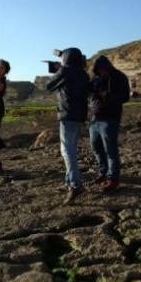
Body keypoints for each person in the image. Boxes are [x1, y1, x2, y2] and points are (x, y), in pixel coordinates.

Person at [46, 48, 90, 204]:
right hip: (79, 116)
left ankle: (75, 185)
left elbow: (49, 86)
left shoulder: (65, 71)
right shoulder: (83, 74)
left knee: (67, 151)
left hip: (68, 115)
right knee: (71, 149)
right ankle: (68, 181)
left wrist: (60, 69)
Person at [89, 55, 130, 190]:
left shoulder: (119, 77)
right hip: (95, 118)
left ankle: (113, 179)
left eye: (102, 69)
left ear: (107, 67)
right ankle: (104, 172)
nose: (101, 72)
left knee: (110, 149)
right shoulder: (95, 78)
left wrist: (107, 95)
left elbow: (125, 97)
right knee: (96, 147)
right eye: (98, 70)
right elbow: (89, 92)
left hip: (111, 118)